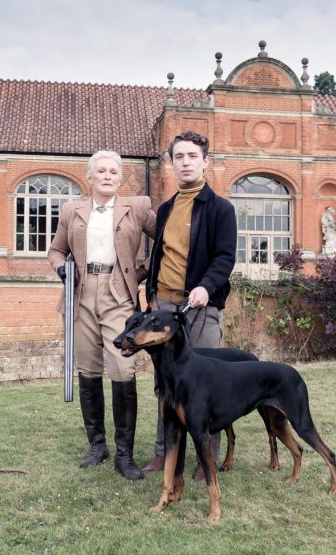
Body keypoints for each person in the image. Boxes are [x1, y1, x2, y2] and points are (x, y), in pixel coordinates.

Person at [48, 150, 156, 481]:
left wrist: (141, 272)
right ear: (90, 177)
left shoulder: (136, 208)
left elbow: (167, 241)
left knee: (123, 368)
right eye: (101, 171)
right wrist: (62, 271)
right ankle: (98, 445)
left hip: (119, 293)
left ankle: (125, 454)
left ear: (121, 178)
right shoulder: (72, 210)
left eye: (113, 171)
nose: (107, 176)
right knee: (88, 369)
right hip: (81, 293)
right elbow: (56, 251)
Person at [141, 130, 237, 480]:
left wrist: (206, 287)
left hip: (200, 307)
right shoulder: (166, 209)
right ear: (171, 162)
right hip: (164, 308)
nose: (185, 162)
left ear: (205, 162)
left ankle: (204, 459)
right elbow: (160, 255)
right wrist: (151, 293)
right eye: (178, 156)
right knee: (165, 385)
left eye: (191, 156)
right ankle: (162, 453)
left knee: (203, 384)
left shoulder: (221, 209)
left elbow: (225, 258)